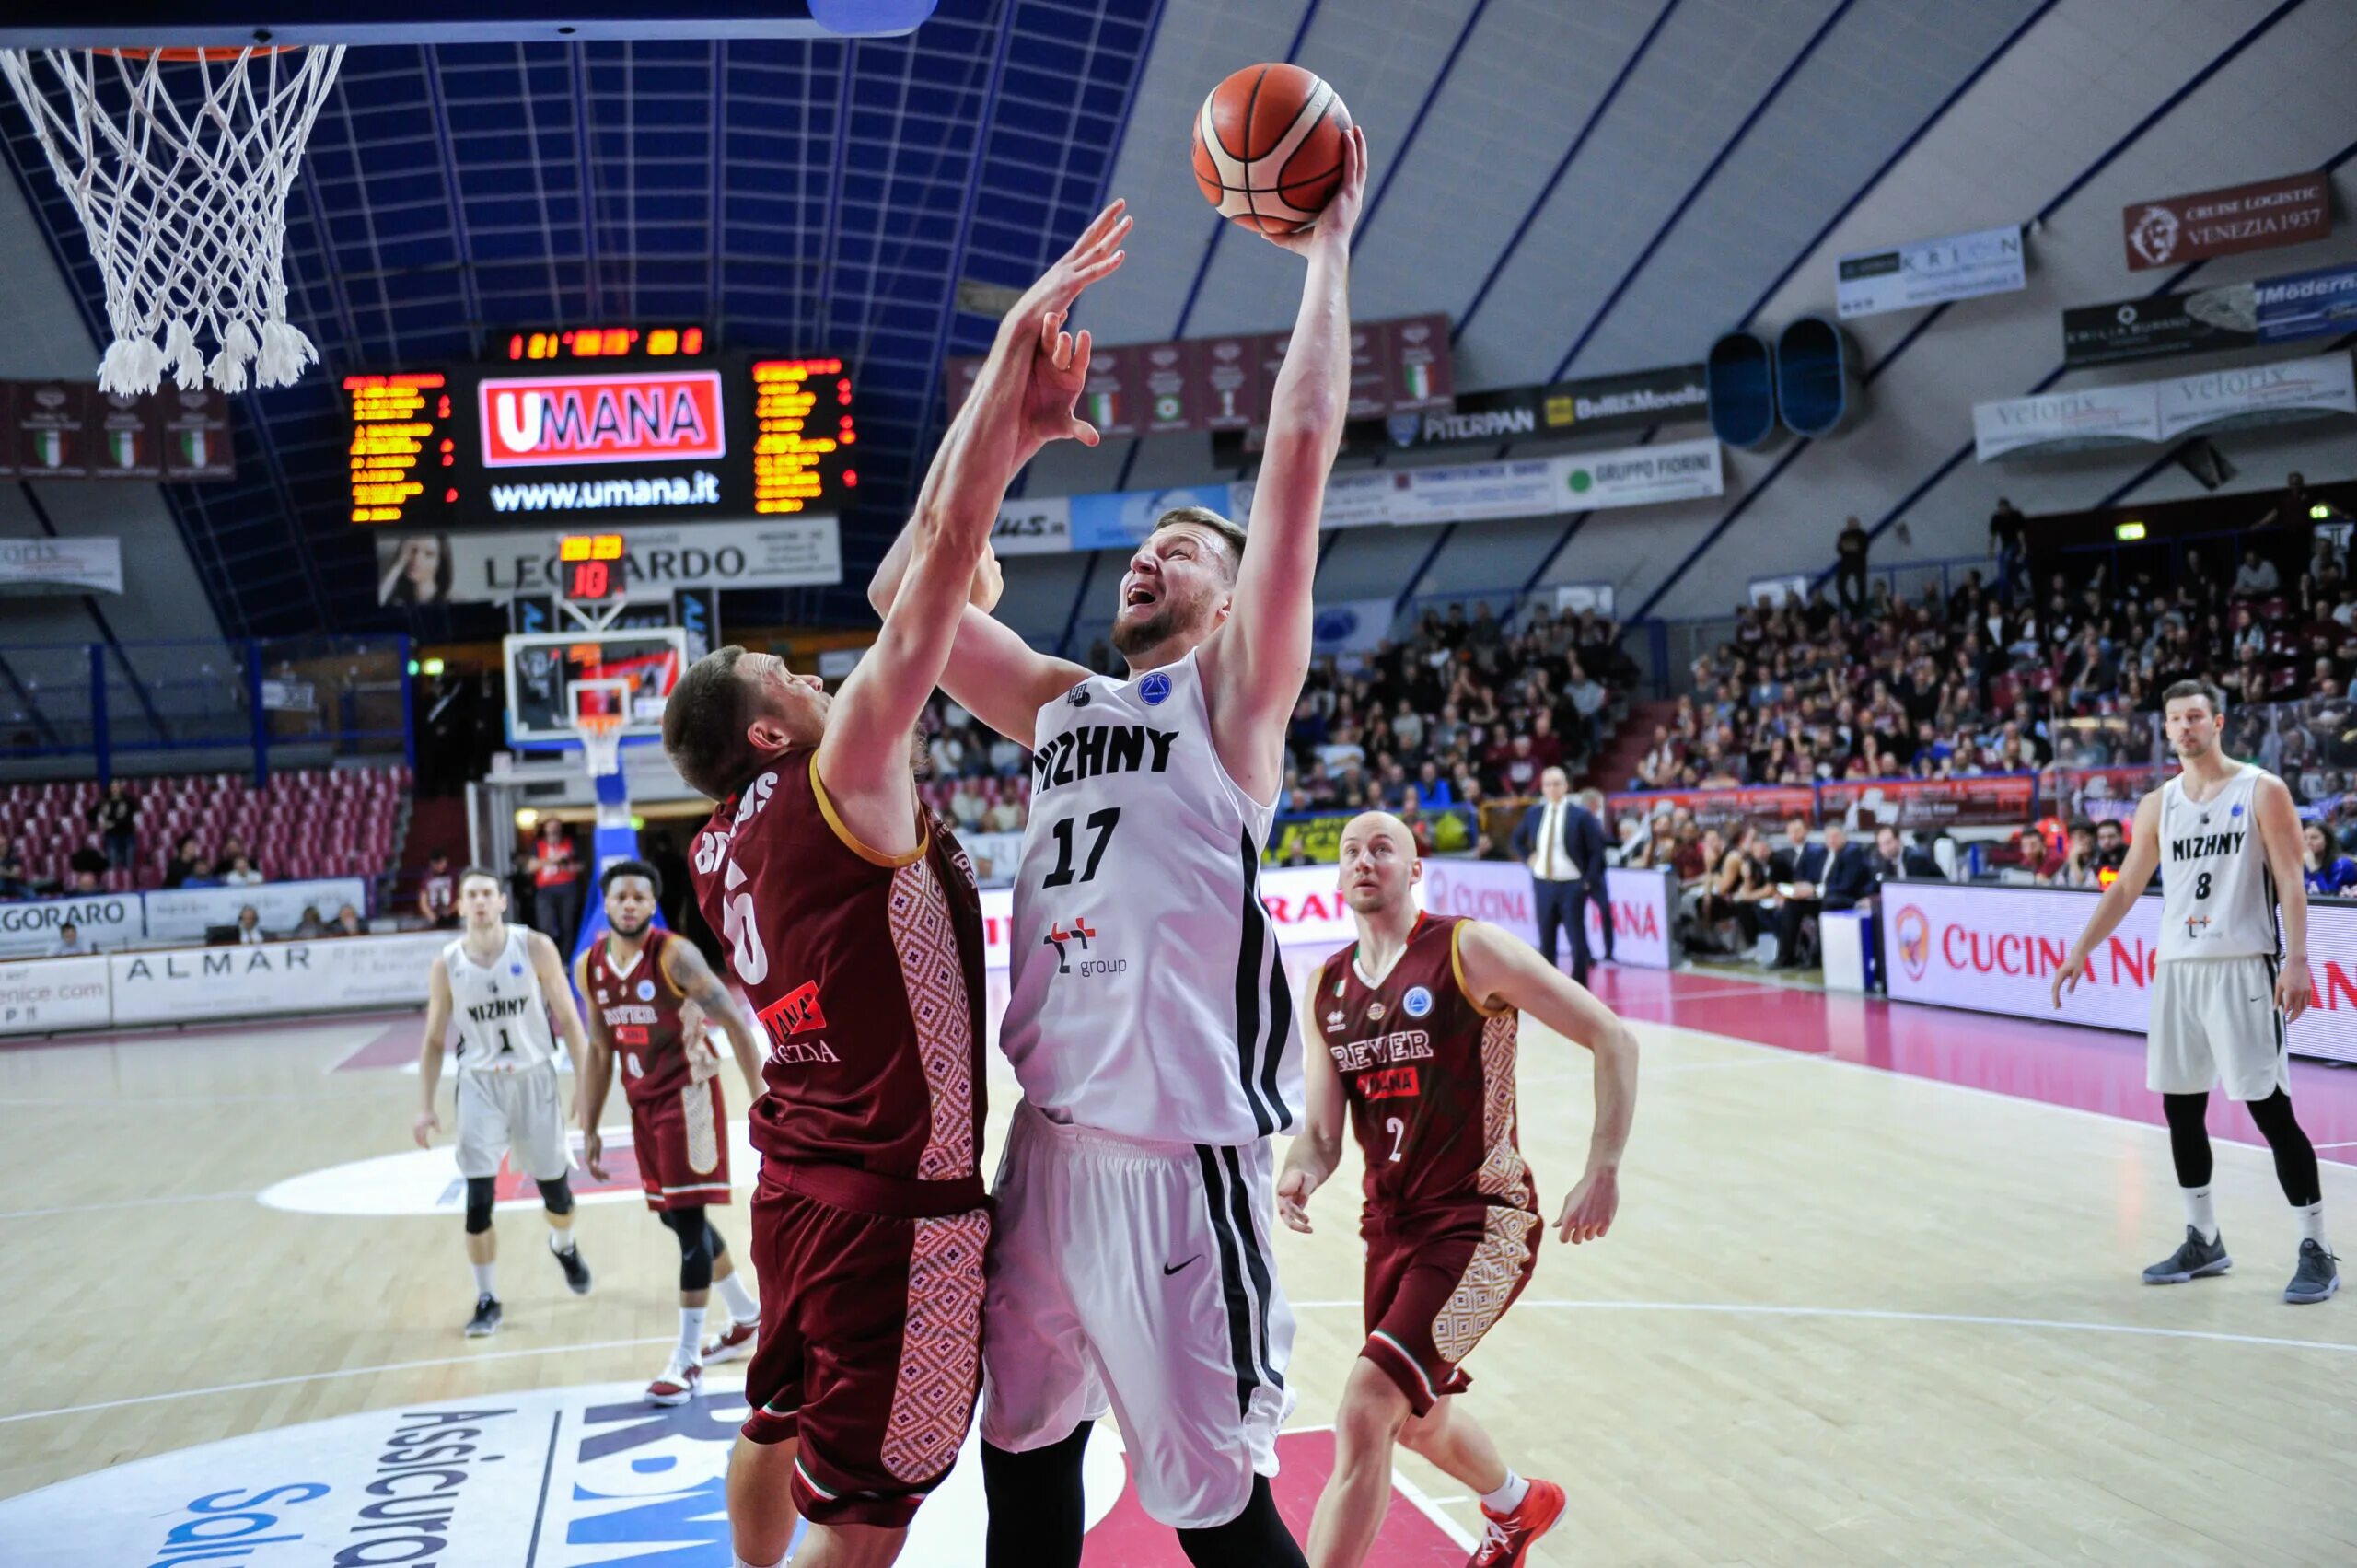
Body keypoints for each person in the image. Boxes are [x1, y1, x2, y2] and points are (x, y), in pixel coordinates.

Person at [866, 138, 1366, 1568]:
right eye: (1143, 546)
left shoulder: (1230, 703)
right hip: (1049, 1145)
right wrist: (1007, 419)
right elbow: (907, 592)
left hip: (1175, 1157)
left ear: (1230, 604)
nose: (1153, 558)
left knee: (1216, 1511)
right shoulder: (1059, 703)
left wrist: (1325, 257)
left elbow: (1297, 456)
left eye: (1184, 551)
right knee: (1023, 1471)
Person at [667, 210, 1129, 1568]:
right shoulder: (841, 772)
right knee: (869, 1514)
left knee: (771, 1420)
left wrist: (1007, 448)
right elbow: (925, 580)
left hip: (796, 1183)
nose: (814, 679)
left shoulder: (714, 843)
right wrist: (1002, 376)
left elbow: (934, 574)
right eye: (786, 679)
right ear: (769, 730)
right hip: (894, 1213)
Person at [1280, 812, 1637, 1568]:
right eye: (1350, 850)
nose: (1363, 860)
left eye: (1383, 848)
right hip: (1391, 1231)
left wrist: (1601, 1166)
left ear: (1416, 869)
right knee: (1415, 1418)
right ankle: (1517, 1504)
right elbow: (1320, 1134)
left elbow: (1614, 1035)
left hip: (1482, 1222)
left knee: (1367, 1405)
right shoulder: (1326, 988)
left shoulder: (1468, 948)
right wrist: (1300, 1171)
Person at [2051, 680, 2336, 1305]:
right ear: (2166, 728)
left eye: (2195, 716)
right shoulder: (2157, 803)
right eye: (2175, 719)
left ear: (2219, 721)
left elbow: (2292, 879)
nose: (2185, 727)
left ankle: (2317, 1246)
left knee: (2270, 1108)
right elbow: (2126, 887)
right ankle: (2203, 1238)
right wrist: (2081, 948)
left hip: (2244, 964)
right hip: (2178, 967)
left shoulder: (2263, 789)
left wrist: (2298, 960)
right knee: (2181, 1108)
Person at [575, 860, 768, 1405]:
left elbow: (733, 1018)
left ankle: (686, 1361)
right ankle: (747, 1317)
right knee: (677, 1218)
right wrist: (588, 1125)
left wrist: (761, 1097)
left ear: (651, 905)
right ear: (606, 905)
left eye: (640, 896)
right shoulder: (591, 966)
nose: (630, 904)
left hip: (690, 1097)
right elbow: (598, 1048)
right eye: (621, 897)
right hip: (643, 1104)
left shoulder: (674, 955)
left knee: (686, 1223)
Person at [412, 866, 596, 1337]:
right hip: (479, 1084)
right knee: (478, 1199)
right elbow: (434, 1041)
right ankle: (487, 1298)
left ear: (501, 902)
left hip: (535, 1079)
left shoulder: (533, 947)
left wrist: (584, 1084)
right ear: (459, 905)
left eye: (486, 894)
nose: (478, 901)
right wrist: (425, 1105)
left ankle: (564, 1244)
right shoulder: (447, 963)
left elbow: (570, 1021)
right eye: (469, 894)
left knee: (556, 1191)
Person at [1509, 767, 1605, 983]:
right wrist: (1528, 859)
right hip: (1543, 883)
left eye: (1557, 783)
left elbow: (1596, 851)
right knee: (1546, 939)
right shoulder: (1534, 813)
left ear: (1566, 786)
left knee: (1576, 939)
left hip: (1572, 884)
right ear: (1542, 788)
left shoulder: (1579, 815)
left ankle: (1580, 986)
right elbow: (1516, 839)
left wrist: (1588, 881)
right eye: (1548, 784)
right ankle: (1549, 987)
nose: (1553, 788)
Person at [531, 819, 583, 949]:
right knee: (546, 926)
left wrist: (568, 866)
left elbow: (581, 866)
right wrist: (552, 860)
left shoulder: (570, 843)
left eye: (556, 828)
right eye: (550, 828)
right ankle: (550, 956)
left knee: (567, 925)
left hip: (567, 887)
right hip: (545, 890)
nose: (553, 831)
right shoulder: (538, 846)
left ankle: (565, 960)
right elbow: (531, 867)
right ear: (545, 831)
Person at [380, 533, 453, 606]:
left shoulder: (451, 601)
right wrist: (399, 564)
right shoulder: (397, 600)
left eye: (428, 554)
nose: (416, 559)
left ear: (440, 562)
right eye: (413, 550)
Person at [88, 781, 137, 873]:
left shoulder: (129, 801)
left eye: (116, 787)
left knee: (128, 867)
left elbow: (130, 819)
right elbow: (92, 815)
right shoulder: (104, 802)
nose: (115, 789)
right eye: (112, 787)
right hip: (111, 837)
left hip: (128, 835)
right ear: (110, 789)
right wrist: (101, 822)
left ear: (120, 789)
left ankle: (128, 883)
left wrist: (113, 824)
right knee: (112, 866)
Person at [2301, 820, 2357, 897]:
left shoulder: (2342, 864)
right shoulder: (2304, 863)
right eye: (2305, 838)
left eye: (2314, 838)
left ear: (2327, 840)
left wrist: (2315, 871)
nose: (2308, 842)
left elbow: (2329, 897)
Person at [1989, 497, 2027, 605]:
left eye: (2004, 508)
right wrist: (1991, 550)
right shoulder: (1996, 518)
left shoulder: (2016, 515)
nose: (2002, 510)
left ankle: (2011, 585)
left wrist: (2023, 548)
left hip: (2016, 543)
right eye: (2001, 508)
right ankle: (2016, 586)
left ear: (2008, 508)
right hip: (2006, 545)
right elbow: (1993, 536)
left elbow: (2020, 533)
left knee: (2008, 559)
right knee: (2006, 565)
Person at [1835, 516, 1869, 615]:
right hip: (1846, 564)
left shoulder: (1863, 534)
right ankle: (1852, 608)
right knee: (1840, 586)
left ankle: (1859, 608)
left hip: (1859, 563)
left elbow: (1863, 549)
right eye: (1850, 523)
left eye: (1853, 522)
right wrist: (1851, 546)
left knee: (1861, 586)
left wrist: (1849, 546)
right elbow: (1840, 549)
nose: (1851, 524)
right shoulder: (1843, 534)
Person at [418, 849, 459, 929]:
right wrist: (431, 916)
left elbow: (461, 897)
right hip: (435, 916)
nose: (441, 866)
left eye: (443, 862)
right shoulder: (427, 878)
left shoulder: (453, 875)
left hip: (452, 915)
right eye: (438, 863)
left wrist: (451, 910)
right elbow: (423, 901)